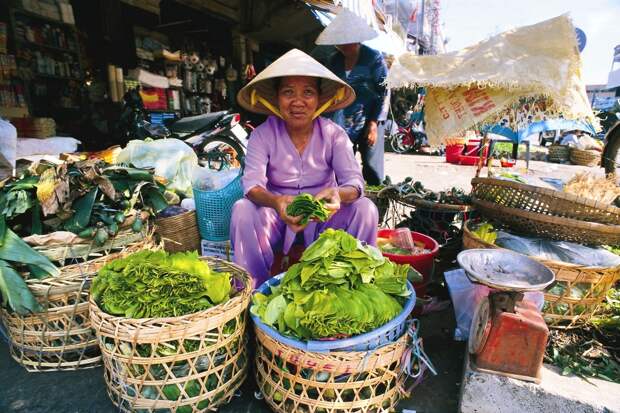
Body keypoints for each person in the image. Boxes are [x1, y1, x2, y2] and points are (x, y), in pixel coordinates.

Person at [230, 49, 379, 288]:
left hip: (324, 218)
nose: (298, 101)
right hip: (276, 217)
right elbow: (252, 186)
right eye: (288, 92)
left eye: (307, 92)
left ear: (319, 99)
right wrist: (277, 202)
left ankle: (354, 285)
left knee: (365, 209)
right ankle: (253, 291)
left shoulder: (333, 134)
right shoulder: (262, 134)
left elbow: (354, 182)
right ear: (277, 98)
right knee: (242, 209)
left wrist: (337, 195)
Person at [315, 9, 388, 186]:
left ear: (357, 39)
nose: (343, 46)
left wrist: (373, 123)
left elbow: (384, 91)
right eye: (340, 43)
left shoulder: (373, 58)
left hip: (370, 117)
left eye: (347, 42)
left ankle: (376, 204)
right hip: (341, 120)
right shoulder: (334, 61)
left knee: (372, 168)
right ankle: (347, 202)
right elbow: (328, 89)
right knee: (341, 168)